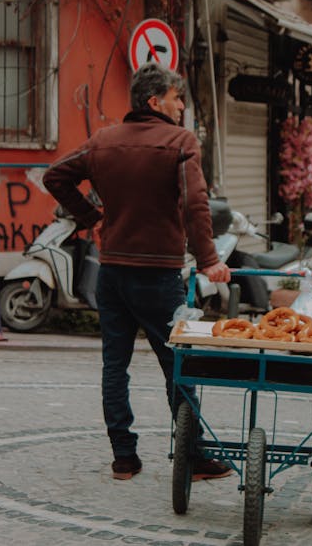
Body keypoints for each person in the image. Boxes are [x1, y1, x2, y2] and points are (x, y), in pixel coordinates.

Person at [43, 62, 232, 480]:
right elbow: (194, 203)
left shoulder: (103, 142)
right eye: (176, 97)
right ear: (155, 101)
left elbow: (55, 176)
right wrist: (209, 261)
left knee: (115, 364)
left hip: (110, 271)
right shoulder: (179, 141)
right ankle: (195, 457)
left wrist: (90, 215)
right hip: (158, 273)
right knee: (176, 363)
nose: (181, 105)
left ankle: (124, 458)